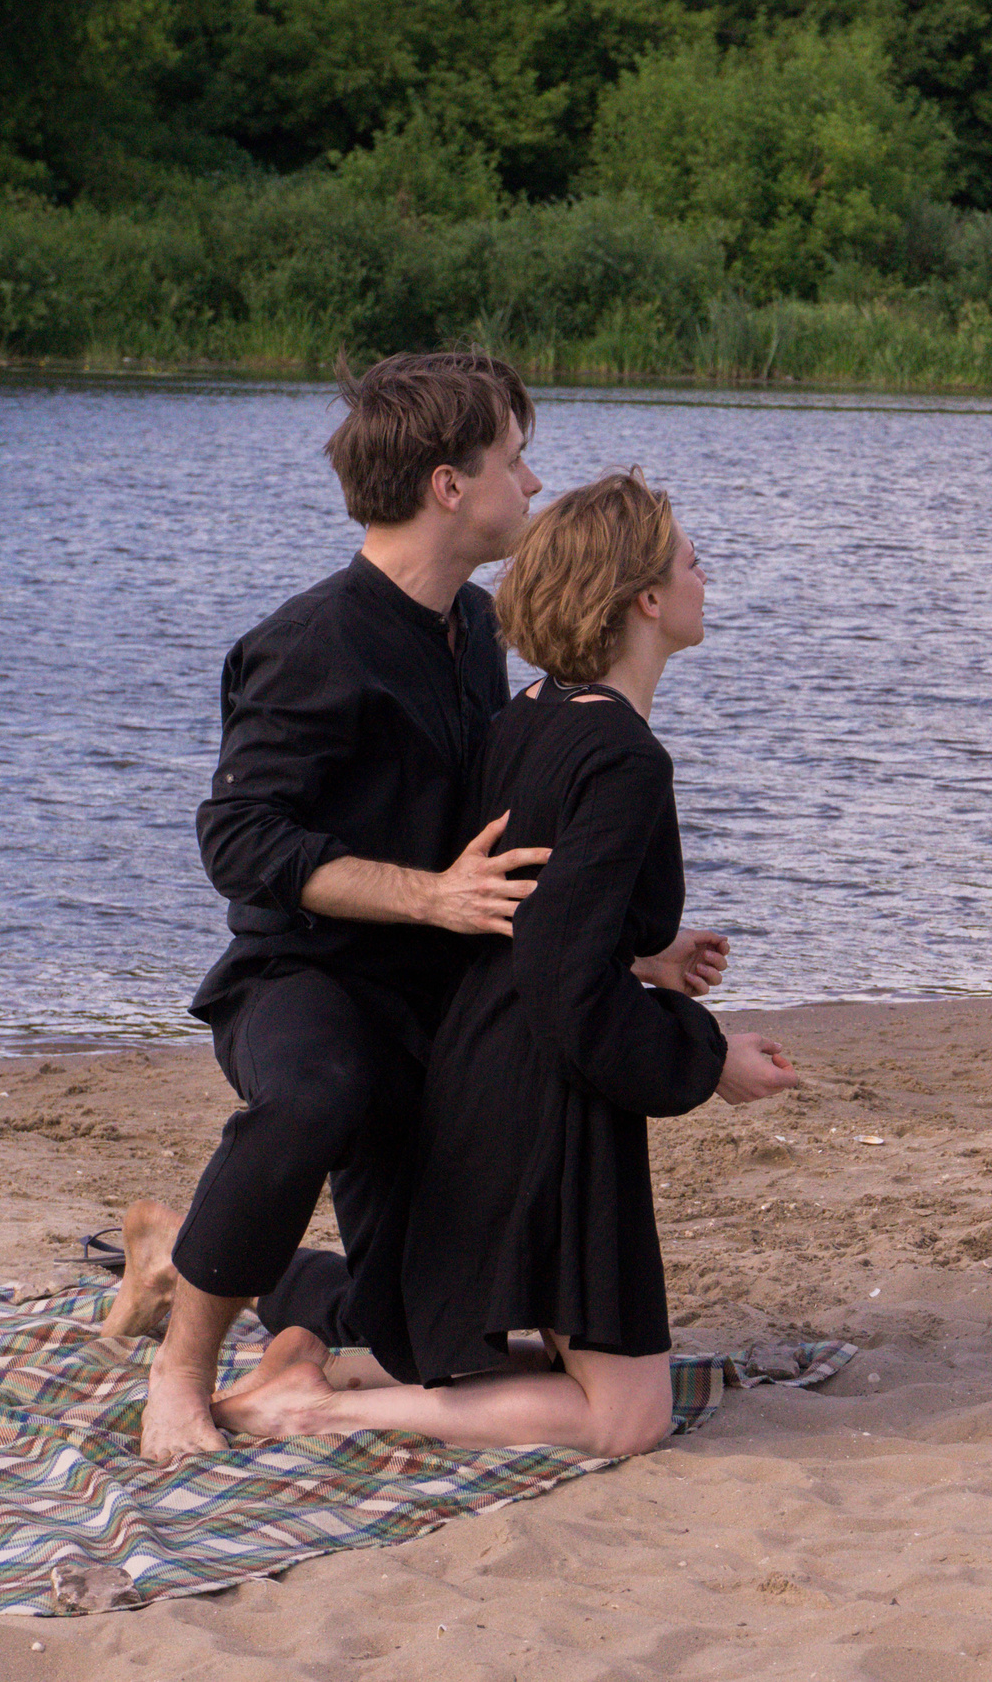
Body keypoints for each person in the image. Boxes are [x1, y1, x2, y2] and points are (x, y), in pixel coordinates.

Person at [102, 354, 723, 1462]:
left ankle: (173, 1252)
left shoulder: (476, 634)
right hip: (309, 980)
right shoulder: (309, 643)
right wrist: (426, 895)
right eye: (513, 459)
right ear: (449, 485)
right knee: (312, 1097)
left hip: (439, 993)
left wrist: (638, 949)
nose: (532, 485)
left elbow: (520, 854)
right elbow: (239, 842)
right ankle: (179, 1374)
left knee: (430, 1332)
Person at [210, 470, 801, 1458]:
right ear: (646, 600)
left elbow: (543, 919)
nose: (707, 574)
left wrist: (643, 953)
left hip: (483, 1069)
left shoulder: (526, 714)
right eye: (692, 560)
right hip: (543, 1099)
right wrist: (708, 1059)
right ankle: (315, 1407)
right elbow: (569, 991)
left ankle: (331, 1369)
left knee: (597, 1382)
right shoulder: (622, 757)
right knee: (625, 1419)